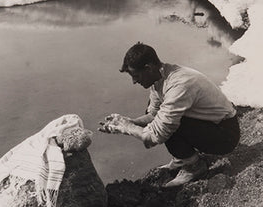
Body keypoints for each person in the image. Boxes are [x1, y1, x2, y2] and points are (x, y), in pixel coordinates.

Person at [99, 42, 240, 187]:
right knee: (160, 115)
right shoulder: (159, 79)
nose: (134, 81)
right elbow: (153, 115)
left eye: (136, 75)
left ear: (148, 68)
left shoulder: (179, 84)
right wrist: (129, 122)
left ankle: (193, 166)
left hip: (226, 135)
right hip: (211, 124)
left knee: (170, 123)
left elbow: (157, 135)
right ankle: (183, 158)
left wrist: (127, 128)